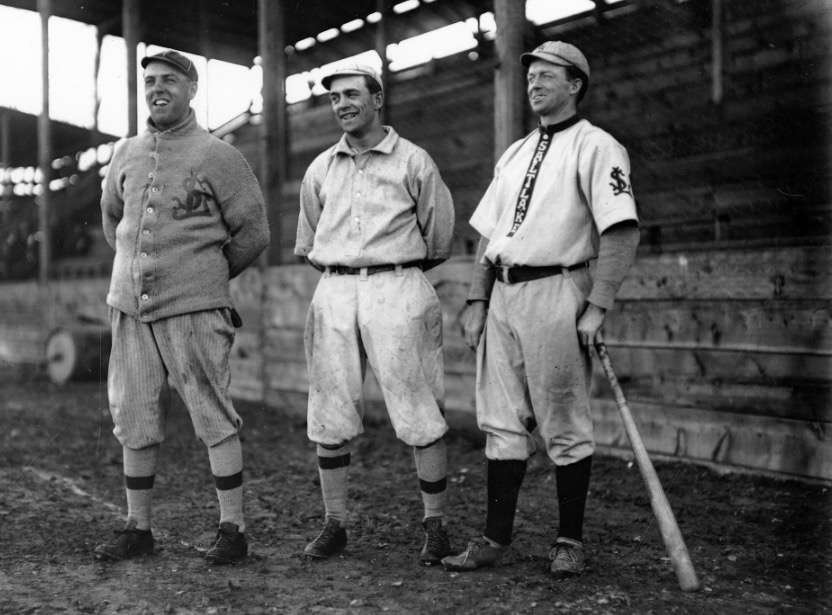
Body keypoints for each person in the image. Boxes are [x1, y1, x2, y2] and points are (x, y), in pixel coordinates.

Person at [441, 41, 640, 578]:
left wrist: (597, 306)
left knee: (563, 423)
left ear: (575, 84)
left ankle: (569, 541)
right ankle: (494, 539)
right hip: (503, 295)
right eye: (531, 77)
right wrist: (477, 299)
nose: (534, 84)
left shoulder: (598, 147)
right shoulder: (515, 152)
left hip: (558, 289)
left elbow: (621, 232)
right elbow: (488, 236)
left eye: (548, 76)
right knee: (501, 424)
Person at [94, 49, 269, 565]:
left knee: (212, 415)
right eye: (149, 80)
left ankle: (232, 530)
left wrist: (203, 276)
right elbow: (112, 221)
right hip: (130, 307)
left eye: (170, 79)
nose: (157, 88)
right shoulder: (125, 152)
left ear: (192, 89)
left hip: (194, 307)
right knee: (133, 414)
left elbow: (253, 234)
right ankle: (137, 528)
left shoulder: (219, 155)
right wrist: (135, 271)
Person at [295, 64, 456, 566]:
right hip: (336, 290)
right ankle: (335, 523)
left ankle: (435, 526)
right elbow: (310, 238)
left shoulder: (414, 161)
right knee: (329, 412)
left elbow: (439, 235)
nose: (341, 104)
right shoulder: (321, 167)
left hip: (398, 285)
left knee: (419, 412)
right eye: (334, 98)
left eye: (351, 94)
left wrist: (394, 269)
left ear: (377, 99)